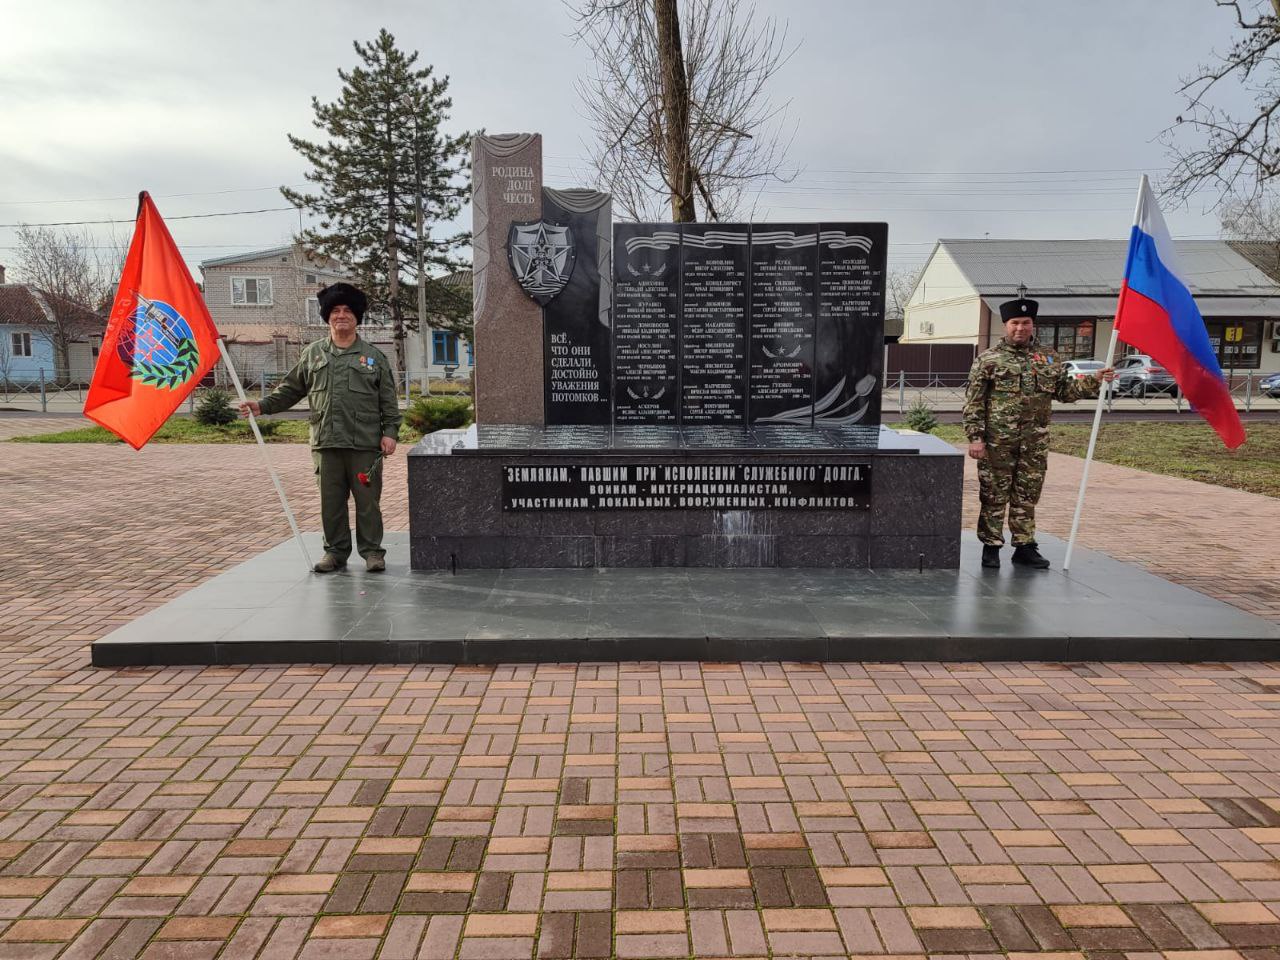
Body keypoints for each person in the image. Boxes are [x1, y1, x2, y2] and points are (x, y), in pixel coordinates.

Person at [239, 282, 402, 573]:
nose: (341, 316)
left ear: (357, 318)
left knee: (368, 504)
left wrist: (390, 433)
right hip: (326, 443)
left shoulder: (374, 357)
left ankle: (372, 552)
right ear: (327, 317)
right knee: (331, 504)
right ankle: (335, 553)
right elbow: (290, 390)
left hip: (364, 445)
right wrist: (261, 405)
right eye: (335, 311)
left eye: (347, 311)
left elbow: (388, 401)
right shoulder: (313, 354)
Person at [961, 297, 1115, 569]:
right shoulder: (988, 359)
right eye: (1015, 323)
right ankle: (991, 546)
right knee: (994, 494)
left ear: (1033, 325)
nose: (1020, 328)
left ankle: (1024, 546)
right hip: (998, 442)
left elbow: (1065, 392)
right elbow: (974, 402)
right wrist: (976, 438)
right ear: (1005, 326)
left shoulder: (1049, 357)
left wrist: (1095, 380)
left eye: (1026, 323)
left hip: (1034, 442)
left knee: (1027, 494)